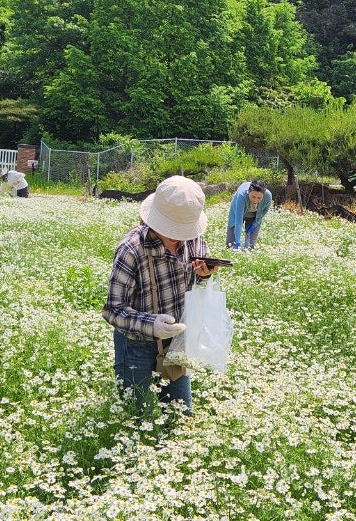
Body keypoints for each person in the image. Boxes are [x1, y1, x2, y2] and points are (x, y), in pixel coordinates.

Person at [101, 175, 220, 415]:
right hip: (135, 344)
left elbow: (195, 283)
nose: (178, 236)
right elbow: (113, 310)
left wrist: (204, 275)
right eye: (172, 228)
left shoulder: (194, 240)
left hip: (177, 342)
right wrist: (151, 324)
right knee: (137, 416)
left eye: (183, 229)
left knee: (181, 414)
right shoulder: (131, 249)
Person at [226, 179, 272, 250]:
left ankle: (247, 251)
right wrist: (237, 243)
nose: (255, 200)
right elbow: (238, 222)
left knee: (250, 246)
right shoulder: (241, 196)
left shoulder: (268, 196)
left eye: (259, 198)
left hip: (254, 216)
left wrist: (255, 224)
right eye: (253, 197)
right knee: (231, 245)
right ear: (248, 192)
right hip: (238, 213)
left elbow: (264, 211)